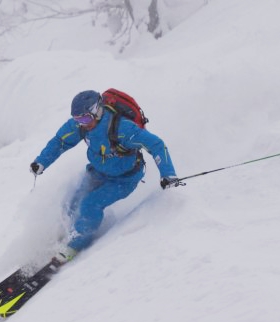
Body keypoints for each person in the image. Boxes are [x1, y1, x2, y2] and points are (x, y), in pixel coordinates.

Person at [30, 90, 180, 263]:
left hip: (124, 179)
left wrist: (168, 174)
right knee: (72, 203)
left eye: (85, 119)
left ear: (97, 110)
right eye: (78, 120)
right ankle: (67, 234)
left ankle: (75, 244)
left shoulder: (123, 129)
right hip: (97, 172)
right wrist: (41, 162)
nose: (82, 124)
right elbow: (60, 141)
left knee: (90, 204)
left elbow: (156, 144)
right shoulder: (81, 126)